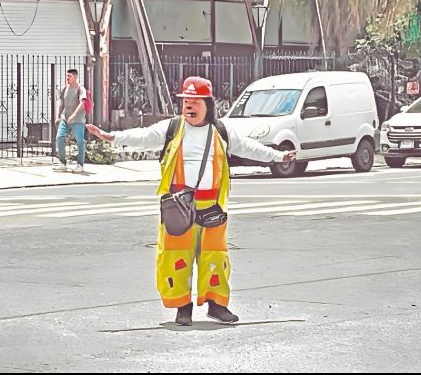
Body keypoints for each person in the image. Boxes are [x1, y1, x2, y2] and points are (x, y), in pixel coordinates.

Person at [86, 76, 297, 326]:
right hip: (179, 206)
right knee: (176, 258)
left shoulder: (221, 131)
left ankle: (217, 305)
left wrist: (278, 156)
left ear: (207, 104)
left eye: (194, 101)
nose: (189, 106)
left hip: (212, 207)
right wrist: (111, 137)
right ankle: (182, 308)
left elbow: (251, 148)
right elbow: (142, 136)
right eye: (185, 100)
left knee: (215, 258)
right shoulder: (173, 128)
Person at [55, 69, 88, 173]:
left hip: (78, 120)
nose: (67, 78)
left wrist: (73, 116)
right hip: (65, 119)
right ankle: (63, 163)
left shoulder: (80, 88)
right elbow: (61, 103)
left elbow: (82, 104)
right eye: (67, 76)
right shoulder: (65, 88)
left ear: (76, 76)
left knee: (80, 141)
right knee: (59, 138)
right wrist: (58, 116)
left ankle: (80, 165)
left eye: (70, 76)